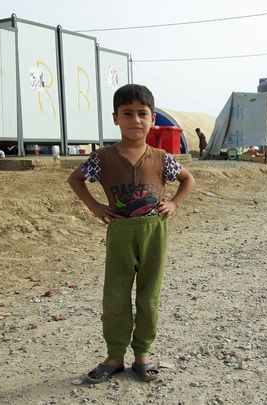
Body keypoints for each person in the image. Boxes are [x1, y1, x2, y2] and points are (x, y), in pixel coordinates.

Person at [67, 84, 195, 384]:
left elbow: (188, 180)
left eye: (142, 114)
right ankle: (114, 356)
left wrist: (174, 203)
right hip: (120, 233)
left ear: (153, 119)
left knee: (149, 296)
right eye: (127, 114)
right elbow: (75, 179)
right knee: (115, 296)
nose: (135, 120)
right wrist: (95, 206)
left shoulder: (162, 158)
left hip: (154, 232)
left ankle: (142, 356)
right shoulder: (104, 158)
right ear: (115, 118)